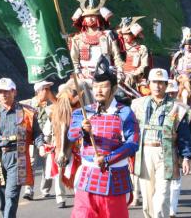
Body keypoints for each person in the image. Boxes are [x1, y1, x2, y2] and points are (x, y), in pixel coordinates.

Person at [68, 55, 140, 218]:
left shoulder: (125, 113)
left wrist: (108, 159)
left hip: (114, 180)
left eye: (104, 86)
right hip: (87, 178)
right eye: (95, 86)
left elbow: (133, 143)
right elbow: (71, 135)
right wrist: (82, 130)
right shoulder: (84, 112)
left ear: (114, 89)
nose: (99, 90)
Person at [131, 69, 191, 218]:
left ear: (166, 85)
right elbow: (130, 131)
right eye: (154, 82)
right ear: (149, 84)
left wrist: (186, 157)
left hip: (166, 154)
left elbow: (184, 135)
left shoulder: (177, 107)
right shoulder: (137, 104)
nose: (157, 86)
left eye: (161, 83)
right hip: (143, 154)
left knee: (161, 199)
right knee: (147, 202)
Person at [0, 78, 45, 218]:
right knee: (3, 198)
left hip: (17, 157)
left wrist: (41, 145)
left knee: (11, 195)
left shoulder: (27, 112)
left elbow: (37, 133)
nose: (3, 94)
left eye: (6, 91)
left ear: (14, 92)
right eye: (0, 92)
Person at [70, 0, 124, 105]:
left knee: (120, 94)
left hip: (105, 73)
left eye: (93, 16)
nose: (90, 19)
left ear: (98, 18)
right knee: (66, 89)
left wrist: (120, 72)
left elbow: (116, 56)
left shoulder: (107, 35)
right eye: (87, 16)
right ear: (83, 19)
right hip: (84, 74)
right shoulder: (77, 38)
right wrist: (78, 72)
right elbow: (74, 59)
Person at [44, 80, 82, 209]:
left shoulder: (77, 108)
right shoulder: (54, 109)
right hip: (57, 141)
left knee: (77, 168)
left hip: (74, 142)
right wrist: (47, 141)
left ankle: (79, 193)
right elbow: (48, 129)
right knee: (58, 168)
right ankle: (60, 196)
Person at [22, 80, 56, 200]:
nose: (48, 92)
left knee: (48, 164)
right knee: (31, 163)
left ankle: (45, 189)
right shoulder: (28, 104)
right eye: (45, 89)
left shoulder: (52, 104)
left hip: (48, 138)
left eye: (48, 89)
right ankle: (28, 189)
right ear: (38, 91)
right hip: (32, 138)